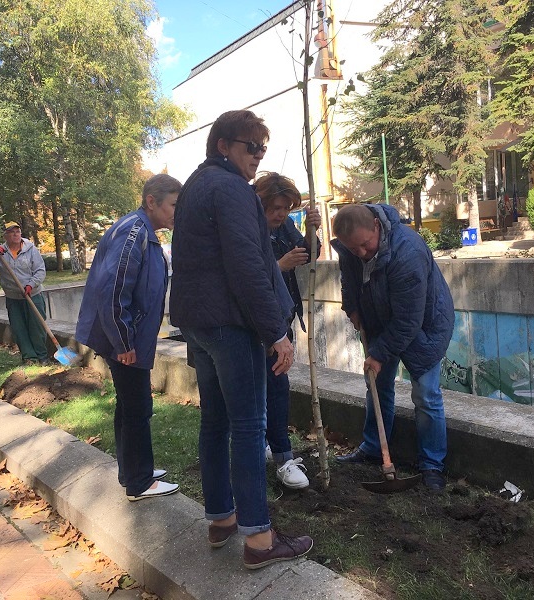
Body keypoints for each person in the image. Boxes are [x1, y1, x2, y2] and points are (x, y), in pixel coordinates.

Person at [170, 110, 313, 569]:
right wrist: (276, 332)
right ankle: (260, 540)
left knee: (215, 423)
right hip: (231, 325)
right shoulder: (231, 189)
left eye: (262, 149)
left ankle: (222, 519)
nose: (258, 156)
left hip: (199, 324)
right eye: (251, 147)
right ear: (223, 145)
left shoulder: (196, 185)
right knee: (249, 426)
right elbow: (248, 265)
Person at [330, 203, 454, 492]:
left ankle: (432, 465)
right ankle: (374, 448)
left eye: (365, 244)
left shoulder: (408, 252)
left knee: (426, 394)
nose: (361, 253)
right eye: (353, 248)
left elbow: (408, 321)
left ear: (376, 225)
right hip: (378, 319)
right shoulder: (351, 248)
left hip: (424, 327)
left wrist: (378, 354)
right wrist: (352, 307)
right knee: (377, 386)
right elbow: (349, 280)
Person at [75, 174, 182, 501]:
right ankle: (139, 482)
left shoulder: (142, 231)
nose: (177, 212)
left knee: (129, 404)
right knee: (137, 406)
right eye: (174, 205)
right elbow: (113, 290)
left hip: (127, 334)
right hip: (124, 337)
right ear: (152, 201)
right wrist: (123, 342)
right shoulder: (134, 232)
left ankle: (131, 470)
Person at [254, 172, 321, 490]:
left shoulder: (283, 227)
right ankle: (280, 456)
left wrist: (312, 232)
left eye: (286, 208)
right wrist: (279, 266)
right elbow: (248, 276)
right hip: (257, 322)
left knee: (277, 386)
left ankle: (273, 448)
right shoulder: (247, 229)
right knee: (269, 388)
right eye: (276, 208)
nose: (281, 214)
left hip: (281, 318)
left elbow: (309, 254)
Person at [0, 222, 48, 365]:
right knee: (19, 328)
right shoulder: (0, 253)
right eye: (11, 232)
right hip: (13, 297)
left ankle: (42, 356)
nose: (16, 234)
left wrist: (31, 285)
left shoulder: (30, 249)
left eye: (17, 231)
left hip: (33, 294)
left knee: (37, 326)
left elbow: (40, 271)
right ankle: (29, 357)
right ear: (5, 236)